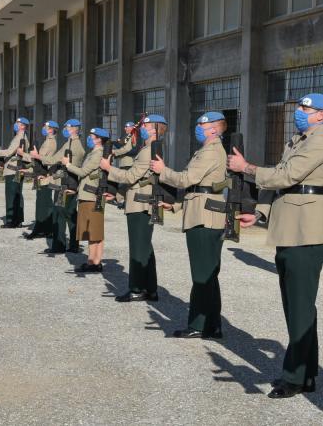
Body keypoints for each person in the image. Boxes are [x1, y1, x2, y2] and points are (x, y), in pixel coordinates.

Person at [228, 93, 323, 399]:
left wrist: (246, 167)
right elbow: (288, 187)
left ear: (321, 115)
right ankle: (307, 372)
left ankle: (295, 378)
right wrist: (261, 212)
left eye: (306, 108)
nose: (299, 111)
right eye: (300, 107)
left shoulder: (319, 142)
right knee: (298, 306)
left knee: (300, 306)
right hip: (292, 230)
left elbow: (285, 176)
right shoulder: (298, 141)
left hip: (307, 233)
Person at [149, 112, 227, 339]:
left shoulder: (211, 151)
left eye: (201, 124)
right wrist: (175, 207)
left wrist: (162, 171)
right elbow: (199, 188)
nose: (198, 127)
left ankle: (199, 325)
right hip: (203, 212)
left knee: (202, 274)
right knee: (208, 273)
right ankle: (212, 323)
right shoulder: (208, 150)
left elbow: (186, 180)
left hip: (204, 218)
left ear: (213, 129)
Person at [100, 115, 168, 302]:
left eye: (145, 125)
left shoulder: (148, 151)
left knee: (138, 248)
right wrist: (118, 195)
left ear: (154, 129)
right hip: (141, 200)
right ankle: (150, 288)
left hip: (140, 204)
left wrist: (108, 168)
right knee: (145, 247)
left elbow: (131, 177)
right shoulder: (149, 148)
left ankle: (137, 288)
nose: (141, 127)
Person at [31, 119, 85, 253]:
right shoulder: (73, 143)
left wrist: (37, 156)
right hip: (70, 183)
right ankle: (73, 245)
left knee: (59, 214)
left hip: (66, 185)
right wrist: (51, 176)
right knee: (70, 214)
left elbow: (55, 160)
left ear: (74, 129)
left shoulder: (72, 145)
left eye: (67, 127)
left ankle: (59, 245)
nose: (65, 129)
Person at [66, 127, 110, 273]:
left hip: (91, 196)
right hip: (89, 194)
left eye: (92, 136)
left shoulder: (98, 154)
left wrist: (68, 164)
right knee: (94, 231)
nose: (89, 138)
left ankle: (94, 262)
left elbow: (83, 172)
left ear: (99, 139)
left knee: (94, 231)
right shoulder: (94, 153)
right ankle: (94, 261)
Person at [0, 117, 30, 228]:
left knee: (11, 195)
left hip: (13, 171)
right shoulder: (23, 137)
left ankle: (11, 220)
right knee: (17, 195)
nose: (15, 124)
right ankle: (18, 220)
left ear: (23, 126)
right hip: (16, 169)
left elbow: (8, 152)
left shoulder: (19, 137)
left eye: (18, 123)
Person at [22, 120, 59, 240]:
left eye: (46, 126)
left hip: (44, 176)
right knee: (41, 203)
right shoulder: (47, 141)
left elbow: (42, 159)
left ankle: (41, 229)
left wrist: (25, 154)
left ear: (51, 129)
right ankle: (44, 229)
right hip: (40, 175)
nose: (44, 127)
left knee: (43, 204)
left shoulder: (50, 142)